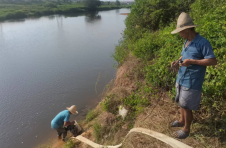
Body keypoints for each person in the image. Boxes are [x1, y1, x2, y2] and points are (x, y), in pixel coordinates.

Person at [171, 12, 217, 139]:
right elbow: (184, 56)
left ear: (187, 30)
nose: (179, 34)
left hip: (192, 81)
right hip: (181, 78)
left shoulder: (203, 43)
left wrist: (192, 62)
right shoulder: (187, 41)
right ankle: (181, 120)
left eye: (180, 31)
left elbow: (213, 61)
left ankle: (186, 130)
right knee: (181, 102)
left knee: (186, 106)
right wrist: (177, 61)